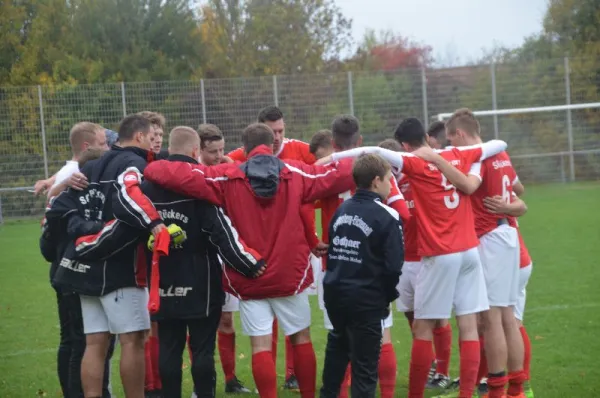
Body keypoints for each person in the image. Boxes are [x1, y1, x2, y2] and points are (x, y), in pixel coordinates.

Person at [143, 122, 356, 398]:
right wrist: (356, 156)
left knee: (260, 346)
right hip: (289, 276)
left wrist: (151, 165)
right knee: (301, 338)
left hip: (249, 275)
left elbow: (164, 172)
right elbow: (341, 175)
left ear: (244, 148)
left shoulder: (227, 176)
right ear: (272, 144)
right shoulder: (296, 172)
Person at [318, 117, 508, 398]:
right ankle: (466, 394)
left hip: (440, 253)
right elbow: (499, 144)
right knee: (468, 325)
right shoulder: (461, 155)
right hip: (469, 250)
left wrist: (333, 157)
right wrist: (453, 154)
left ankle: (415, 395)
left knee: (422, 327)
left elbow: (378, 153)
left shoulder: (415, 162)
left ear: (406, 144)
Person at [142, 126, 266, 398]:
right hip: (200, 277)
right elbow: (220, 230)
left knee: (169, 347)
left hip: (162, 276)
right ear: (195, 151)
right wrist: (249, 265)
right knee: (202, 349)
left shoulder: (147, 184)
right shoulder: (200, 183)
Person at [56, 114, 167, 398]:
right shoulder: (134, 163)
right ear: (140, 136)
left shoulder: (94, 164)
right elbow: (129, 200)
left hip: (86, 267)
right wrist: (155, 223)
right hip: (120, 268)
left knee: (95, 343)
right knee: (132, 341)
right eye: (150, 136)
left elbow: (65, 203)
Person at [316, 116, 409, 398]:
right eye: (389, 179)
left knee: (336, 358)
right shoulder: (387, 214)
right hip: (366, 300)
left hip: (336, 293)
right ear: (377, 180)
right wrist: (385, 296)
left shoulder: (341, 212)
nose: (392, 184)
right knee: (365, 370)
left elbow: (336, 251)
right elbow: (394, 266)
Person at [227, 106, 320, 390]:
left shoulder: (300, 151)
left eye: (282, 130)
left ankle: (292, 374)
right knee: (293, 333)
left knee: (267, 339)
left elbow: (326, 164)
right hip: (283, 266)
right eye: (274, 132)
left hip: (257, 266)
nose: (279, 137)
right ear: (264, 134)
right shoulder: (235, 161)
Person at [443, 109, 526, 398]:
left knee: (494, 320)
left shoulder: (478, 156)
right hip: (505, 234)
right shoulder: (499, 153)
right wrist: (509, 205)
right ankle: (515, 389)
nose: (452, 147)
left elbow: (469, 185)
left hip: (491, 238)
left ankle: (498, 390)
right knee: (506, 317)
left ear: (460, 134)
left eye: (452, 140)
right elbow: (518, 188)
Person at [380, 138, 455, 390]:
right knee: (413, 316)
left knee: (437, 318)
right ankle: (430, 364)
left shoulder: (418, 178)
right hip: (403, 261)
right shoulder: (386, 187)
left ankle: (442, 372)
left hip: (427, 258)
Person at [40, 144, 108, 398]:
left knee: (75, 340)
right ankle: (77, 392)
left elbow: (46, 246)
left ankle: (90, 391)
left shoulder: (62, 197)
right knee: (82, 342)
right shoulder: (75, 198)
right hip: (73, 275)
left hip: (62, 274)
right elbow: (51, 242)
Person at [196, 123, 252, 394]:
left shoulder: (228, 168)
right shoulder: (192, 174)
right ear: (198, 150)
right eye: (212, 151)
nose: (219, 155)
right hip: (198, 257)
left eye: (221, 149)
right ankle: (200, 381)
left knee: (227, 320)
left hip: (225, 254)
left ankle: (230, 379)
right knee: (197, 321)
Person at [483, 193, 534, 398]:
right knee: (511, 322)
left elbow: (521, 204)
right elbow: (520, 193)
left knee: (498, 322)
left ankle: (508, 388)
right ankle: (521, 387)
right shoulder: (498, 181)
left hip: (505, 259)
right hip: (516, 256)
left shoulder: (478, 182)